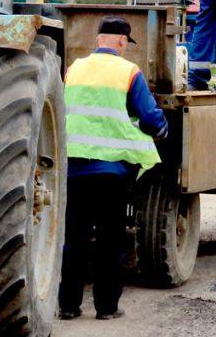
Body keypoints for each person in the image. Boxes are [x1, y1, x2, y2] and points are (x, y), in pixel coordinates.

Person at [58, 16, 168, 321]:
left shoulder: (73, 69)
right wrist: (161, 131)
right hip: (112, 172)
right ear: (122, 41)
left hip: (74, 168)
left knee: (74, 238)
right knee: (110, 239)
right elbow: (150, 116)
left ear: (97, 40)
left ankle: (68, 306)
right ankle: (106, 308)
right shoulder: (128, 71)